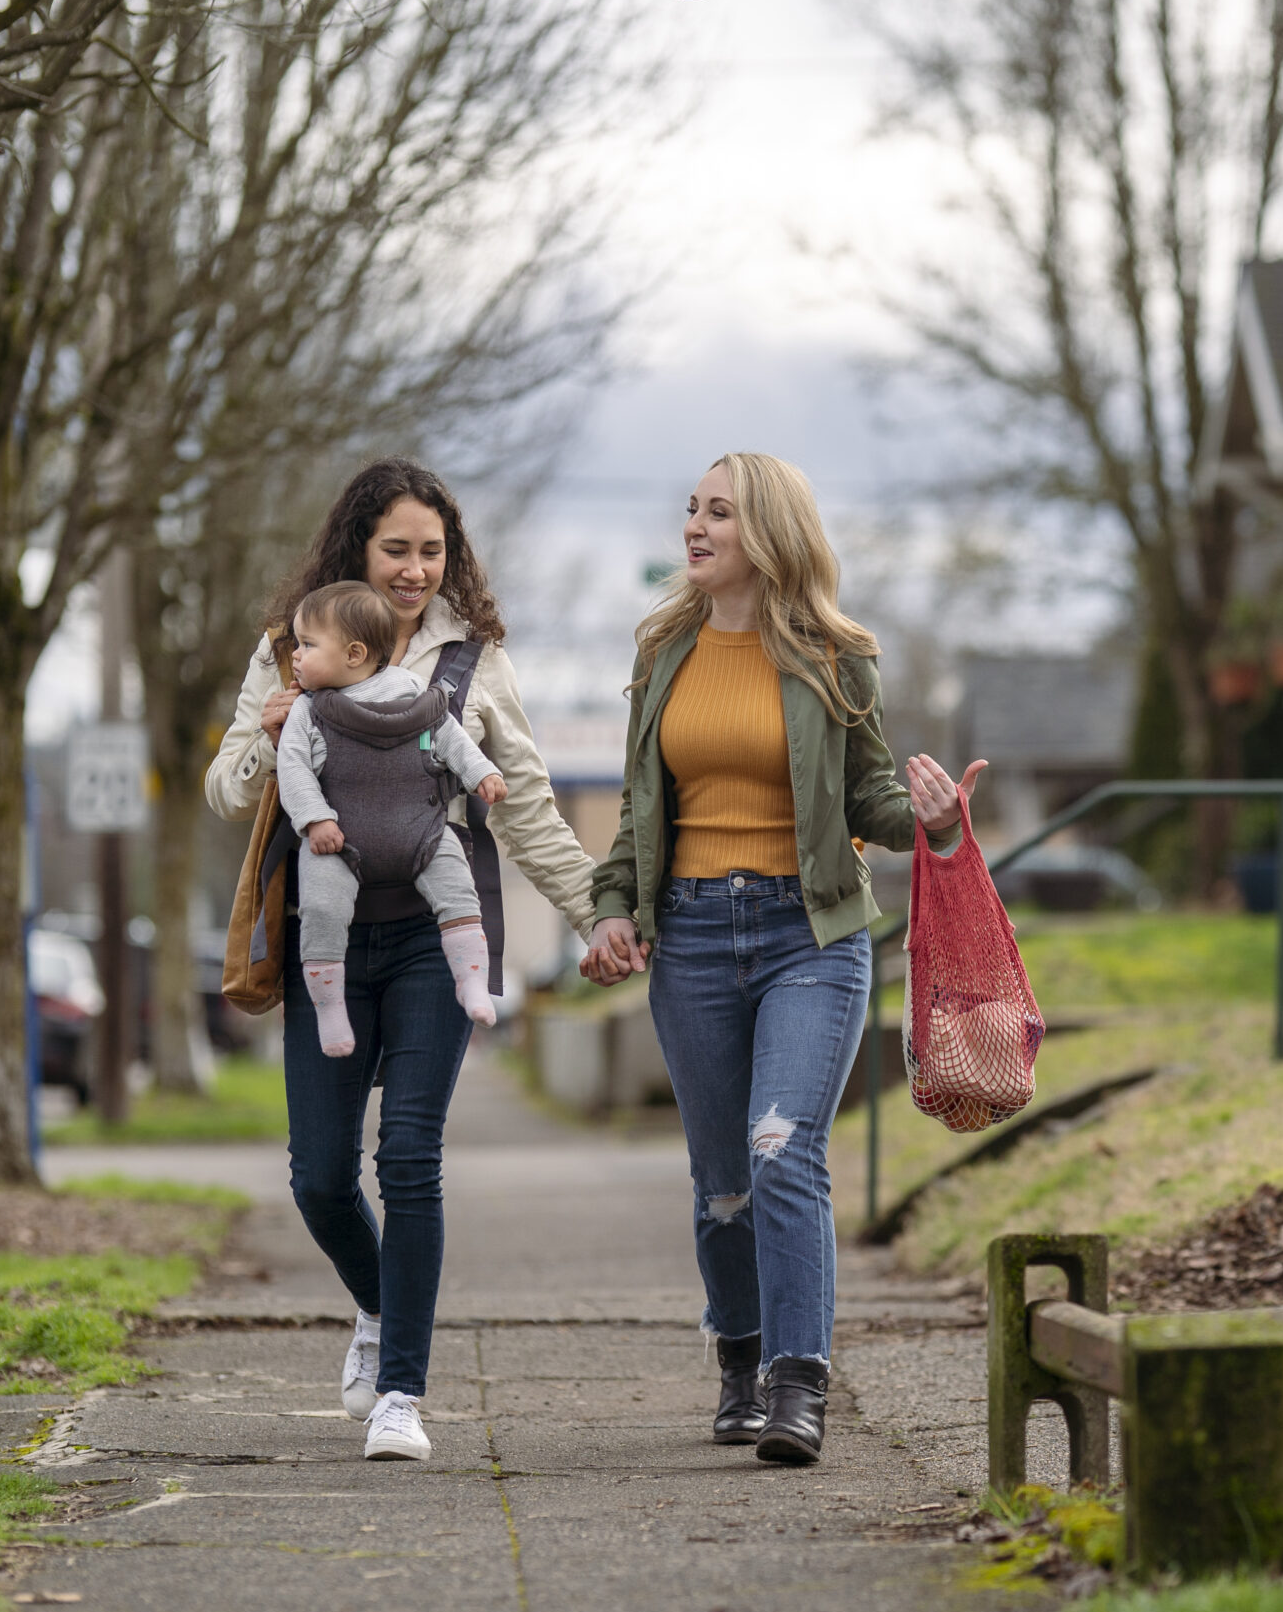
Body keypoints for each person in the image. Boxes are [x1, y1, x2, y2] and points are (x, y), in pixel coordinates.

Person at [582, 452, 982, 1466]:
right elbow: (639, 808)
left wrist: (933, 821)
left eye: (718, 512)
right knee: (721, 1178)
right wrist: (613, 909)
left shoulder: (834, 655)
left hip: (810, 936)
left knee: (779, 1148)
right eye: (691, 510)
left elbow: (869, 795)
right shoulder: (662, 650)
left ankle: (798, 1382)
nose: (695, 528)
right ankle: (740, 1360)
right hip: (694, 937)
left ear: (768, 532)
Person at [207, 459, 596, 1462]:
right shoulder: (290, 649)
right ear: (357, 551)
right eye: (397, 550)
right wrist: (268, 732)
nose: (416, 570)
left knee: (409, 1156)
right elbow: (222, 789)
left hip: (435, 937)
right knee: (321, 1177)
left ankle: (401, 1394)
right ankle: (382, 1309)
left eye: (432, 551)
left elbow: (533, 813)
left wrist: (599, 917)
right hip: (325, 941)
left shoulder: (473, 667)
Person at [276, 580, 508, 1041]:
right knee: (321, 910)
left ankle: (471, 982)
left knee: (459, 891)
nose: (295, 656)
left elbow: (450, 737)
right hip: (339, 843)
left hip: (420, 834)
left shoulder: (414, 692)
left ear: (355, 653)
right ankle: (330, 1011)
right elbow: (293, 769)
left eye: (306, 645)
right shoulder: (307, 711)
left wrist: (481, 774)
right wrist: (315, 818)